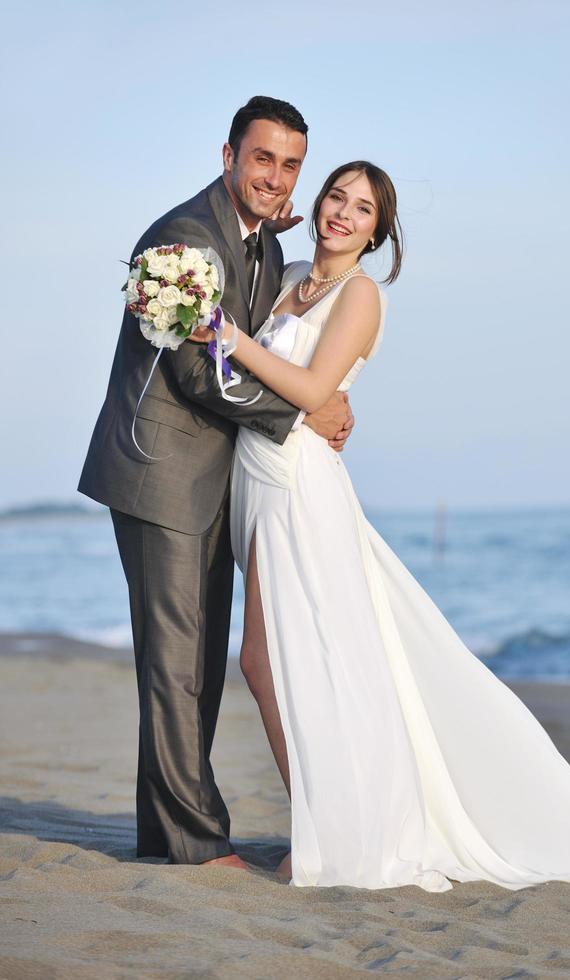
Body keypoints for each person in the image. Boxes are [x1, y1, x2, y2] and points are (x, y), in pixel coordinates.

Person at [225, 160, 570, 898]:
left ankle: (336, 832)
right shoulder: (289, 276)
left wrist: (224, 336)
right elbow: (270, 378)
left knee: (293, 661)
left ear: (379, 231)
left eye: (363, 209)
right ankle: (325, 820)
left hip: (299, 483)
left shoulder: (361, 293)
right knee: (273, 662)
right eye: (336, 197)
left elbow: (313, 390)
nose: (343, 213)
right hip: (258, 475)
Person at [78, 96, 355, 867]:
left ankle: (164, 834)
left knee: (194, 664)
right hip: (158, 471)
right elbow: (204, 372)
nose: (275, 176)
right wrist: (304, 414)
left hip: (217, 481)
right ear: (227, 155)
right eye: (262, 158)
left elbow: (269, 339)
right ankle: (196, 842)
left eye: (290, 165)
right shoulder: (181, 240)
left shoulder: (261, 243)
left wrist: (323, 389)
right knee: (174, 664)